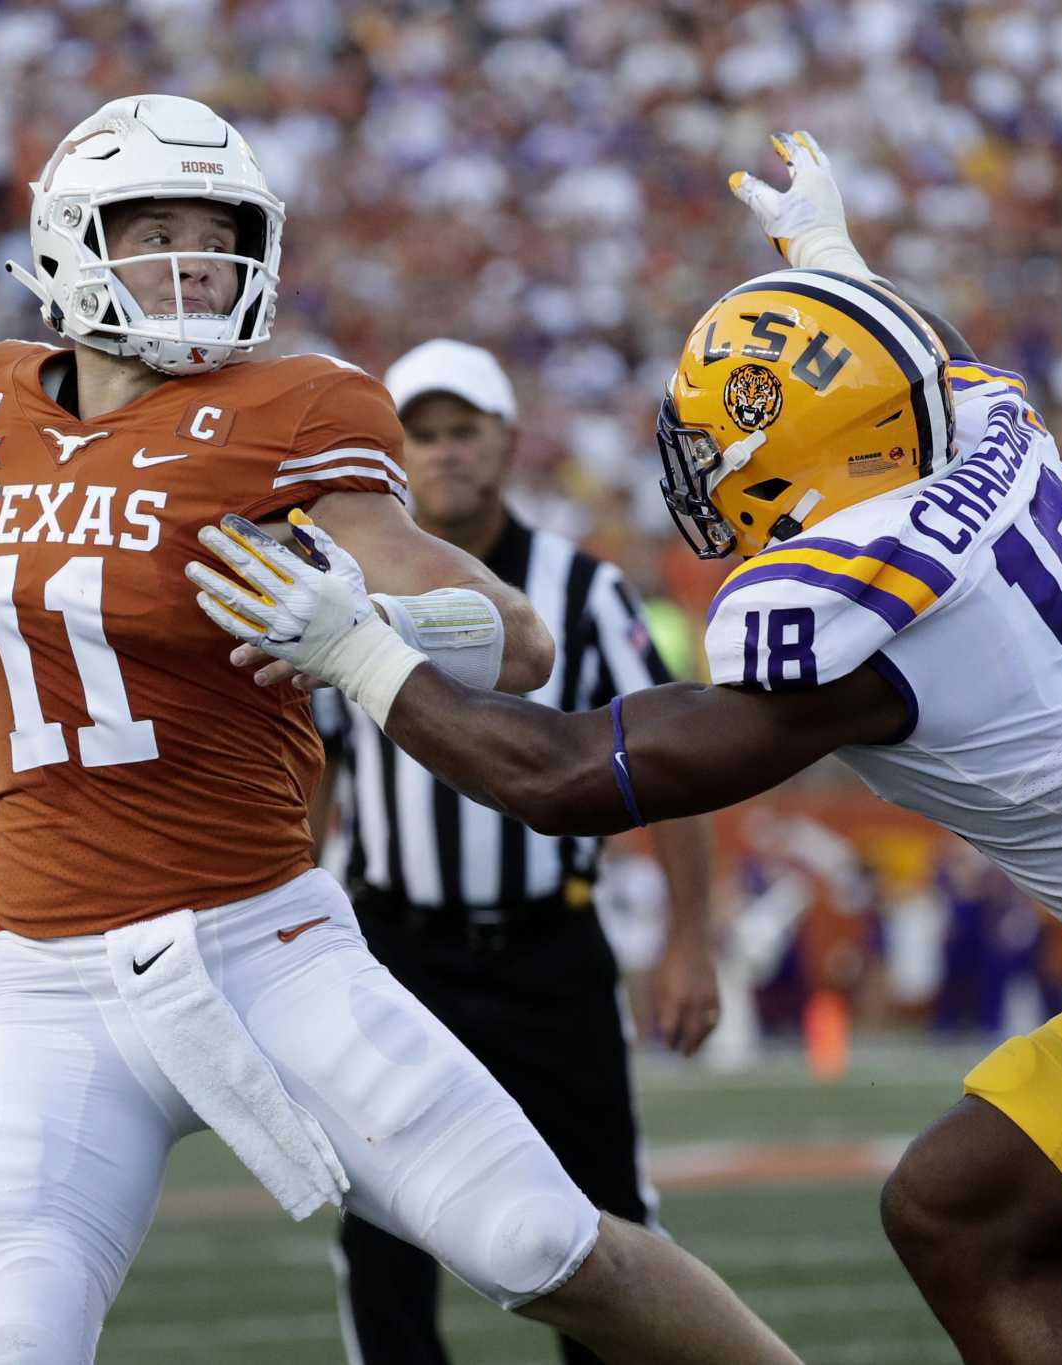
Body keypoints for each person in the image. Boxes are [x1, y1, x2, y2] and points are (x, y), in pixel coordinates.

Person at [0, 94, 793, 1365]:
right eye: (154, 229)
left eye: (221, 233)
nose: (195, 263)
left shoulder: (294, 410)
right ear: (65, 244)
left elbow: (516, 640)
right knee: (10, 1340)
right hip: (46, 976)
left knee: (542, 1248)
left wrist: (360, 618)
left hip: (263, 944)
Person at [191, 131, 1062, 1365]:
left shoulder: (859, 624)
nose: (702, 477)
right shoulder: (979, 431)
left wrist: (358, 652)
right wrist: (826, 259)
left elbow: (557, 777)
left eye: (718, 450)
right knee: (956, 1209)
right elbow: (923, 357)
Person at [312, 338, 722, 1365]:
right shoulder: (334, 586)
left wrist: (688, 941)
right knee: (381, 1229)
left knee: (601, 1220)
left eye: (465, 431)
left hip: (552, 950)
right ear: (393, 453)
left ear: (506, 443)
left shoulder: (581, 591)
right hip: (396, 952)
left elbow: (660, 762)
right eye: (424, 434)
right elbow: (305, 775)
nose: (445, 454)